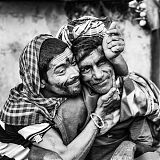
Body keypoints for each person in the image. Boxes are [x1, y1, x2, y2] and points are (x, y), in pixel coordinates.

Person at [0, 30, 126, 160]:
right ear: (41, 82)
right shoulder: (23, 111)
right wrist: (100, 113)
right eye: (61, 71)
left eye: (72, 62)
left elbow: (119, 76)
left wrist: (115, 57)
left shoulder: (65, 86)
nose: (74, 73)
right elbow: (66, 157)